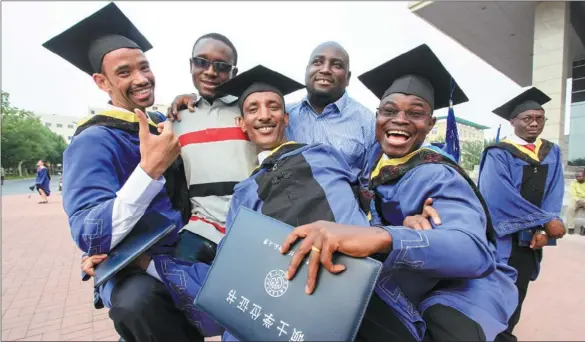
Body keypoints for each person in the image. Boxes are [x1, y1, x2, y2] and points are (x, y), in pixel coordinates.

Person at [280, 44, 518, 342]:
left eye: (415, 113)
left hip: (456, 290)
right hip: (401, 279)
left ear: (431, 124)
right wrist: (397, 225)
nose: (400, 119)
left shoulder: (437, 174)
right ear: (377, 118)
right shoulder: (373, 161)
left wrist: (386, 237)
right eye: (390, 111)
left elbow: (474, 250)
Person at [44, 3, 218, 341]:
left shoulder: (162, 124)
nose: (140, 79)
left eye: (144, 67)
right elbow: (90, 234)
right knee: (136, 303)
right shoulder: (92, 141)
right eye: (124, 72)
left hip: (186, 252)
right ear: (101, 81)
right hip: (134, 269)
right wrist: (149, 170)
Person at [168, 41, 376, 186]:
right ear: (306, 69)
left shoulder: (367, 123)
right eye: (317, 62)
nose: (325, 69)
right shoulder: (283, 114)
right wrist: (188, 98)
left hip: (340, 219)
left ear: (347, 77)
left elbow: (369, 182)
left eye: (336, 65)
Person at [478, 86, 567, 342]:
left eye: (539, 118)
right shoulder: (498, 153)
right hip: (503, 238)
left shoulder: (552, 151)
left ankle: (505, 335)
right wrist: (545, 221)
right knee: (497, 289)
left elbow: (554, 192)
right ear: (512, 121)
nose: (534, 124)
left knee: (519, 291)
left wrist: (541, 230)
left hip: (531, 240)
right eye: (527, 118)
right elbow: (497, 197)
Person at [170, 33, 258, 265]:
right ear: (191, 65)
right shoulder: (176, 119)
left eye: (221, 66)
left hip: (250, 228)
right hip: (199, 231)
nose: (210, 71)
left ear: (233, 73)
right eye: (201, 62)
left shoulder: (250, 111)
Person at [567, 169, 585, 235]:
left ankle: (584, 228)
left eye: (580, 176)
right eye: (577, 176)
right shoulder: (573, 183)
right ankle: (571, 227)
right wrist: (579, 201)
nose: (578, 178)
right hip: (576, 199)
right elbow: (573, 194)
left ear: (584, 176)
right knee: (570, 208)